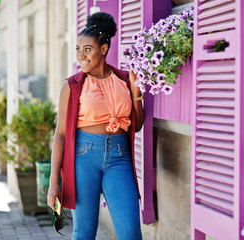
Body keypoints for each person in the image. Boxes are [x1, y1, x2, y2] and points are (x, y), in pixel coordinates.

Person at [47, 12, 144, 240]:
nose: (81, 55)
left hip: (119, 158)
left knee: (131, 232)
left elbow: (136, 126)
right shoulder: (72, 86)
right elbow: (60, 135)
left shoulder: (124, 80)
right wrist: (54, 183)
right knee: (84, 232)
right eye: (78, 50)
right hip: (83, 158)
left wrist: (137, 96)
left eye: (87, 49)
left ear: (104, 49)